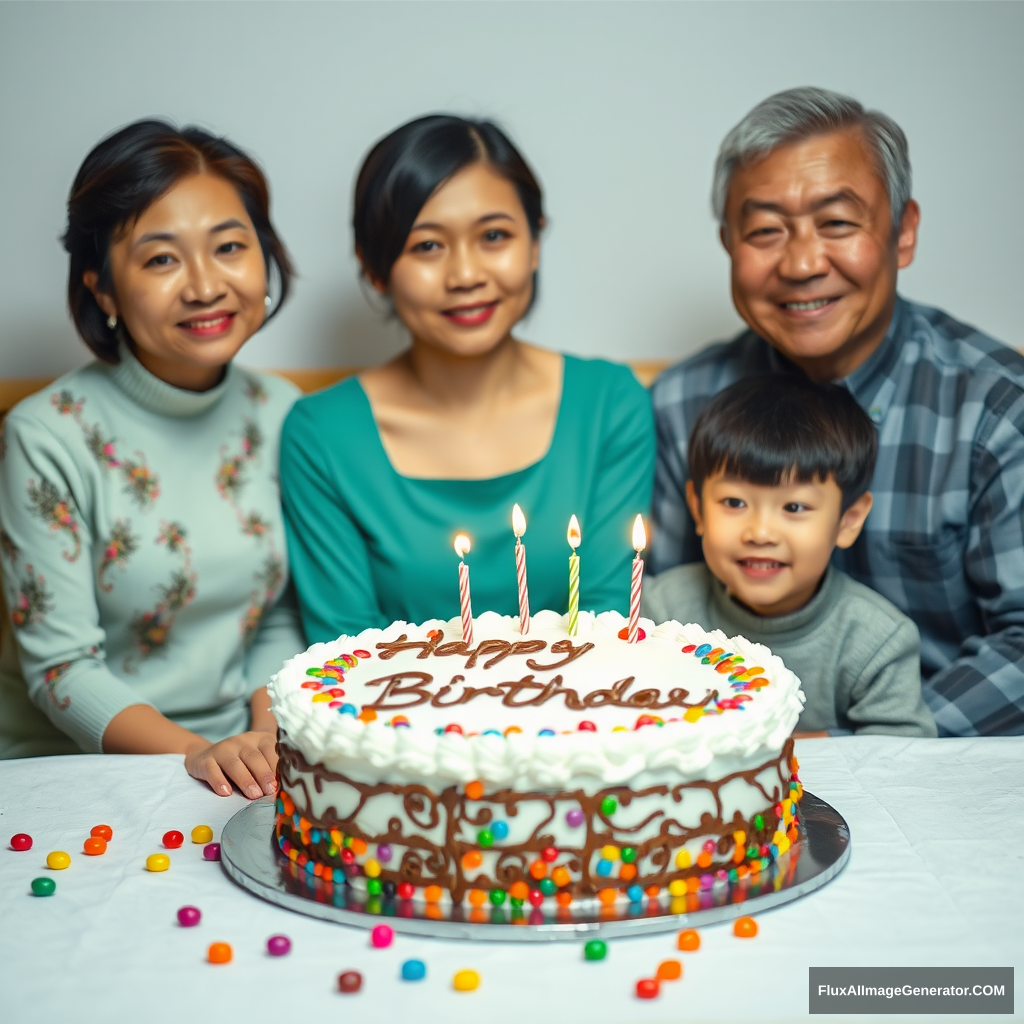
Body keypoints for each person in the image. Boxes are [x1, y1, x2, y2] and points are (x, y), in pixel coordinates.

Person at [651, 87, 1024, 737]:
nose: (800, 263)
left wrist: (867, 743)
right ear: (729, 244)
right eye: (765, 230)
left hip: (940, 772)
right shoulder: (684, 405)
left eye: (838, 224)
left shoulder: (994, 409)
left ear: (902, 233)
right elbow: (661, 619)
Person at [0, 120, 303, 797]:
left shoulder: (283, 413)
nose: (204, 286)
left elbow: (278, 615)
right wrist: (200, 754)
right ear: (102, 288)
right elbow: (61, 670)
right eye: (161, 259)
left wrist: (258, 739)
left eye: (229, 247)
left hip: (246, 757)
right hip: (72, 769)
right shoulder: (46, 435)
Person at [281, 115, 654, 641]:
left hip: (581, 719)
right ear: (374, 266)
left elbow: (608, 620)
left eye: (494, 236)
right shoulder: (322, 434)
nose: (466, 276)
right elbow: (345, 652)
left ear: (535, 242)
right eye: (427, 246)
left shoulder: (610, 405)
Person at [643, 374, 934, 737]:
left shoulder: (877, 640)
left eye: (794, 507)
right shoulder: (660, 614)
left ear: (848, 520)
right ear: (698, 509)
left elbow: (901, 755)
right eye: (734, 502)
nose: (761, 533)